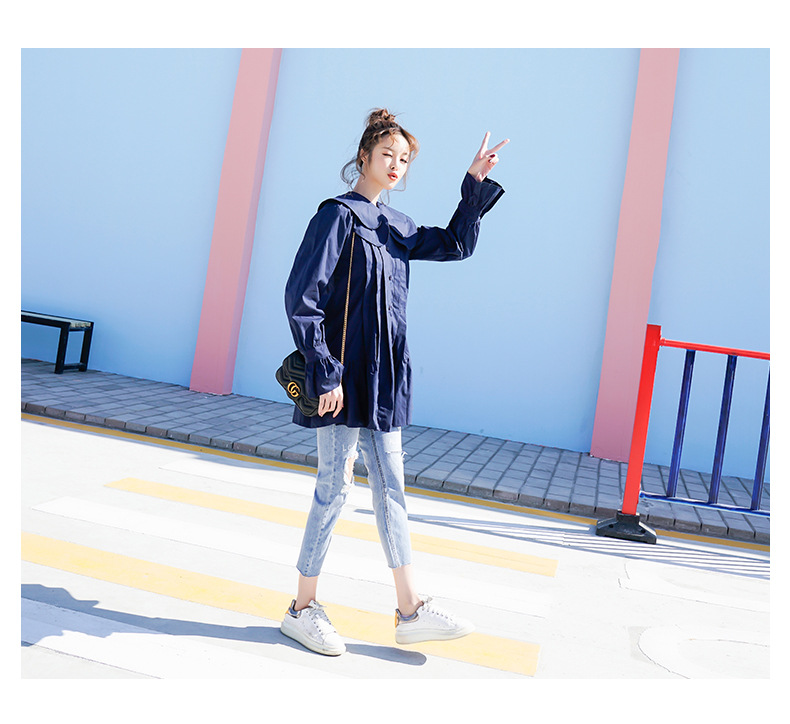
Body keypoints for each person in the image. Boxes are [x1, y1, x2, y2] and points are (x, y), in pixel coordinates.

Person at [280, 108, 508, 656]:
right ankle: (301, 609)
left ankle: (410, 610)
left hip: (383, 380)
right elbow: (302, 298)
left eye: (404, 159)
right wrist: (325, 372)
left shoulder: (396, 226)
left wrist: (473, 183)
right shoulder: (336, 217)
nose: (396, 165)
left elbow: (455, 244)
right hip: (340, 380)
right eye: (387, 154)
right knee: (334, 488)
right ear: (364, 157)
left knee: (392, 491)